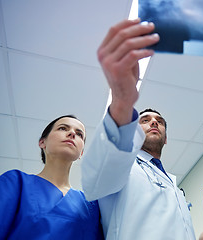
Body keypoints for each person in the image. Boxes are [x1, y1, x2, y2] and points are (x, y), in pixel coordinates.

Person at [81, 19, 195, 239]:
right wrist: (123, 102)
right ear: (133, 130)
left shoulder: (173, 182)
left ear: (166, 138)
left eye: (159, 121)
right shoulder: (122, 165)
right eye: (145, 120)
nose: (154, 123)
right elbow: (94, 181)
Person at [0, 115, 103, 240]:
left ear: (81, 153)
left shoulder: (91, 206)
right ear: (42, 142)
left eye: (79, 134)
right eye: (63, 128)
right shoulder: (16, 182)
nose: (72, 133)